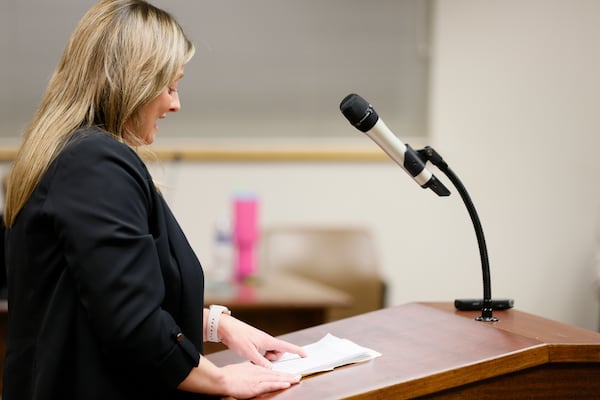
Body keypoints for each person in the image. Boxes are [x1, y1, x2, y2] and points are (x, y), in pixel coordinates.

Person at [2, 1, 306, 399]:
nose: (175, 103)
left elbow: (102, 295)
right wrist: (223, 380)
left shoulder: (69, 154)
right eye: (170, 86)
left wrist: (217, 325)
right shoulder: (94, 163)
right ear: (132, 81)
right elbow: (131, 323)